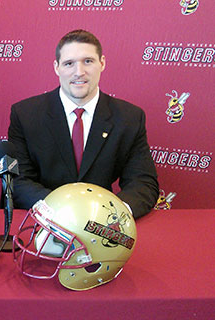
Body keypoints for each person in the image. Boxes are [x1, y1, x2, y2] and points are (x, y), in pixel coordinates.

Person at [8, 29, 159, 219]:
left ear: (102, 63)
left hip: (101, 224)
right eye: (69, 63)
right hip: (45, 221)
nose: (79, 72)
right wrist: (65, 212)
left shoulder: (130, 117)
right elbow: (18, 181)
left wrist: (113, 215)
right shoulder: (25, 114)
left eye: (88, 61)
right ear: (57, 67)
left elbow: (143, 182)